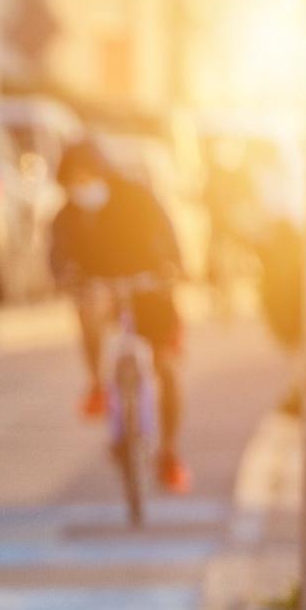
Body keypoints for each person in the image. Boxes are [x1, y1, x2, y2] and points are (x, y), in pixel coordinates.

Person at [50, 137, 190, 494]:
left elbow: (167, 232)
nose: (82, 187)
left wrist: (174, 266)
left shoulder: (137, 196)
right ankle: (98, 384)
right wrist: (65, 277)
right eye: (74, 181)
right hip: (101, 289)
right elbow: (57, 254)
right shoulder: (68, 214)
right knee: (88, 308)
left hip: (150, 289)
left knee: (166, 367)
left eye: (87, 177)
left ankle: (169, 453)